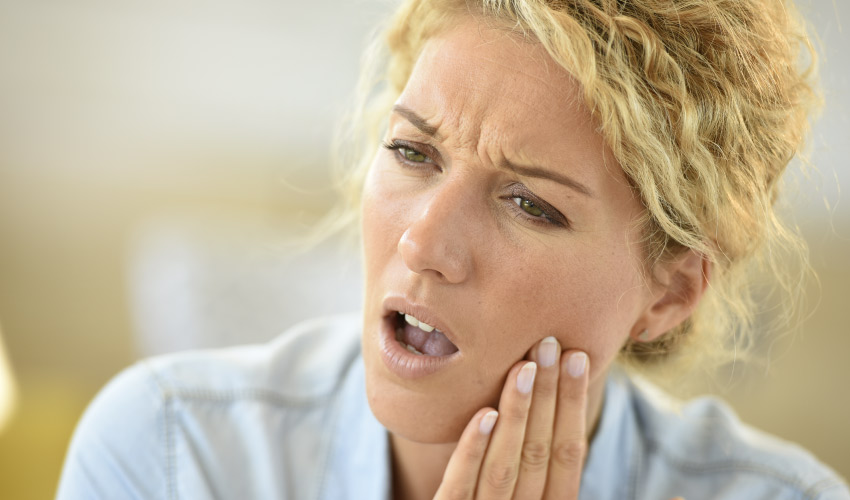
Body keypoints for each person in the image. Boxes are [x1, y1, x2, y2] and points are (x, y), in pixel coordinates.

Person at [57, 0, 849, 499]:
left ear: (670, 293)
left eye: (529, 204)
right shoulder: (167, 451)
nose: (424, 240)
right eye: (413, 152)